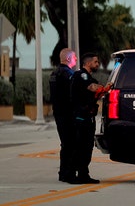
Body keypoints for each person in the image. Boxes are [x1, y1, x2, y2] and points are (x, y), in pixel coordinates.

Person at [70, 53, 110, 184]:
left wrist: (104, 89)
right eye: (95, 62)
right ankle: (74, 174)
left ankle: (83, 174)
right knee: (81, 146)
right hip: (81, 118)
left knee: (87, 147)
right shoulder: (82, 75)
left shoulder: (88, 77)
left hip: (88, 116)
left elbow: (96, 94)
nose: (97, 64)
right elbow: (93, 88)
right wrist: (104, 88)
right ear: (87, 63)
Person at [49, 48, 77, 183]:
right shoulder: (68, 74)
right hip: (68, 113)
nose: (76, 60)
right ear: (68, 59)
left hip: (59, 113)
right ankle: (69, 174)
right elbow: (72, 95)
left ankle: (63, 173)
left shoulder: (54, 73)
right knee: (70, 144)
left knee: (65, 144)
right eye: (74, 57)